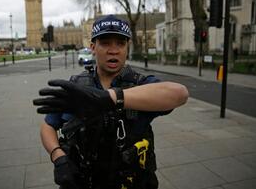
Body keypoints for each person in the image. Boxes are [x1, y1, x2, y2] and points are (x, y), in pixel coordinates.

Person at [33, 14, 189, 189]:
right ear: (93, 47)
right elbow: (48, 126)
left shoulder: (141, 85)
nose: (113, 50)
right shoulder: (76, 88)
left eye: (120, 43)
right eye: (105, 43)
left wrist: (111, 98)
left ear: (127, 48)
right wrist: (58, 156)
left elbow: (180, 93)